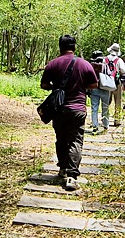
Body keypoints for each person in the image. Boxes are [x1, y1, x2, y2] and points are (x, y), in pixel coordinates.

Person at [40, 34, 98, 191]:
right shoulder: (84, 64)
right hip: (78, 109)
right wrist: (80, 86)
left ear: (60, 47)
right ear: (74, 47)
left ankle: (63, 168)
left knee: (61, 138)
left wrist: (56, 88)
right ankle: (72, 176)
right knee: (75, 140)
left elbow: (44, 84)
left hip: (59, 109)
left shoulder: (52, 64)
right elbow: (94, 84)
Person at [88, 50, 112, 134]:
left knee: (94, 108)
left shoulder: (91, 66)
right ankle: (105, 125)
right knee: (105, 108)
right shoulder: (105, 66)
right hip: (105, 88)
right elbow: (110, 75)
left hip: (94, 89)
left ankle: (95, 125)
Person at [106, 44, 125, 126]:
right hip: (116, 82)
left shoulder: (105, 59)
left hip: (106, 83)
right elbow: (123, 71)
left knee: (106, 102)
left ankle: (105, 120)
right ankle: (117, 120)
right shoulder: (119, 60)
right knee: (118, 101)